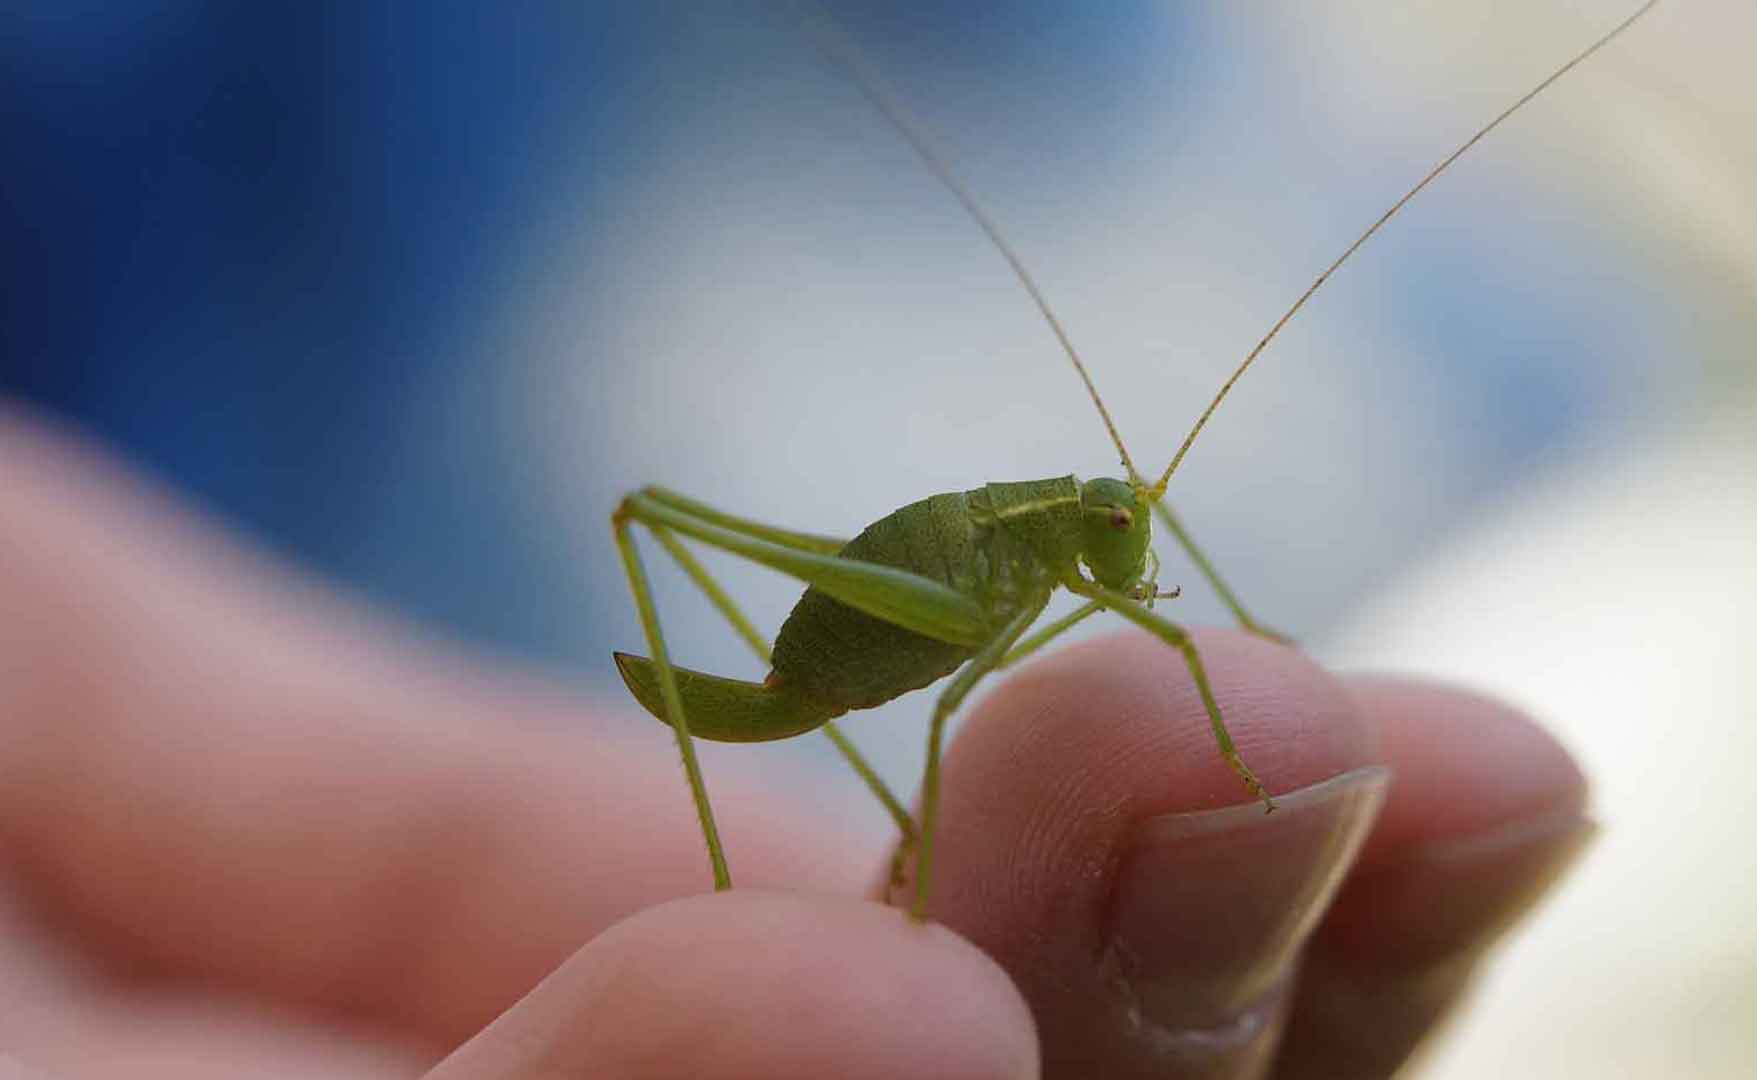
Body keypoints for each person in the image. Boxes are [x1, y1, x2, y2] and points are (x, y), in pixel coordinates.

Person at [0, 405, 1591, 1079]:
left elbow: (1141, 632)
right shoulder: (1012, 565)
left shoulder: (1083, 547)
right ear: (1076, 525)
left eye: (1129, 531)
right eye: (1112, 528)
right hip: (873, 621)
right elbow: (976, 694)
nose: (1123, 547)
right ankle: (721, 893)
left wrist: (1241, 662)